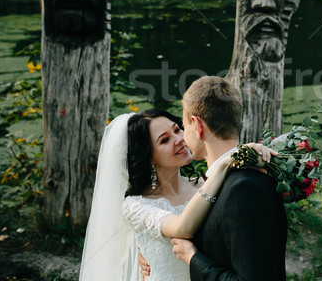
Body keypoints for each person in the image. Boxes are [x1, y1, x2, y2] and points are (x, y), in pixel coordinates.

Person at [79, 108, 273, 281]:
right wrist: (224, 164)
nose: (179, 139)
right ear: (148, 158)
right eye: (164, 140)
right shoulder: (136, 205)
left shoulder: (204, 183)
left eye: (177, 129)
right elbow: (182, 228)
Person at [171, 76, 288, 281]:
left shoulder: (243, 189)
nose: (182, 136)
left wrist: (193, 258)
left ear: (197, 124)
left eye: (183, 126)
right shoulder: (220, 182)